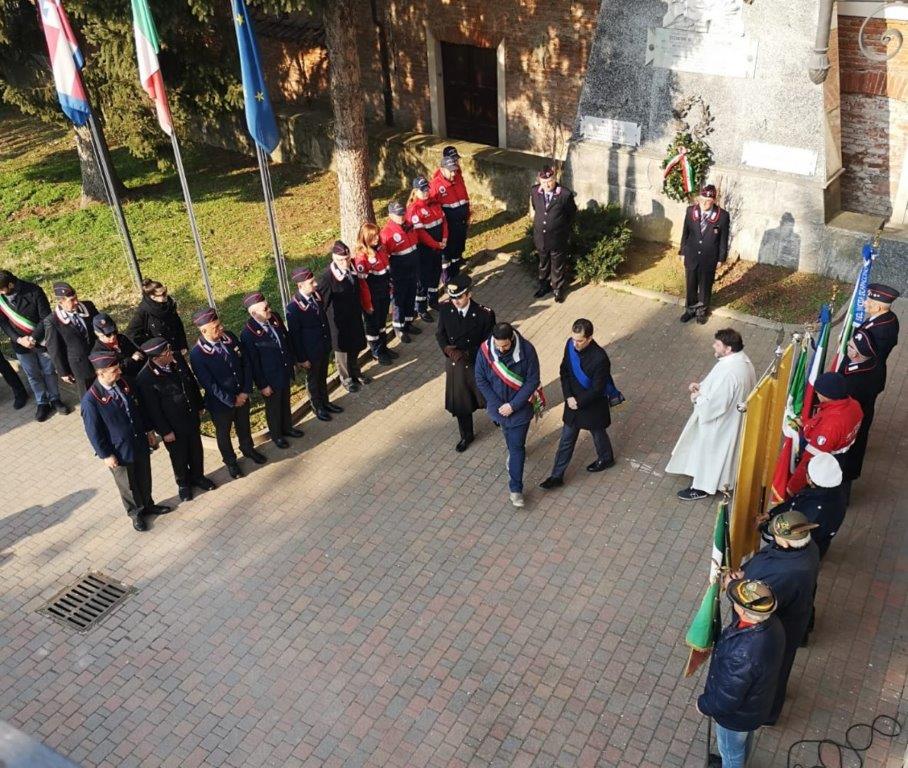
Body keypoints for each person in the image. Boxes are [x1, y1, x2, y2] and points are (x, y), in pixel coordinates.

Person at [733, 512, 820, 726]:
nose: (774, 540)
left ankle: (769, 714)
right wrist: (745, 573)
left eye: (777, 537)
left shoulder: (788, 572)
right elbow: (767, 557)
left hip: (779, 627)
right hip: (789, 621)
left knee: (772, 673)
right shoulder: (806, 547)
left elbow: (757, 604)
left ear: (789, 542)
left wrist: (732, 586)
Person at [697, 579, 785, 768]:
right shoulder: (773, 624)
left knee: (730, 752)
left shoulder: (741, 655)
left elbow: (726, 700)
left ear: (744, 612)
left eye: (736, 603)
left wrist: (703, 704)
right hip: (755, 708)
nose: (734, 604)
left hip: (736, 717)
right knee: (743, 742)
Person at [81, 349, 171, 532]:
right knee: (128, 485)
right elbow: (93, 432)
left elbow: (138, 409)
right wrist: (106, 455)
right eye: (114, 370)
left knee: (144, 476)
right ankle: (136, 514)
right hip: (119, 450)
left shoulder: (123, 384)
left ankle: (148, 504)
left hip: (138, 441)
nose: (119, 372)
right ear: (101, 373)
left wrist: (148, 431)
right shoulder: (91, 401)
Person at [667, 328, 756, 500]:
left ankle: (702, 487)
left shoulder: (729, 372)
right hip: (732, 418)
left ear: (728, 348)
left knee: (711, 453)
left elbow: (715, 405)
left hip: (720, 423)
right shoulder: (743, 362)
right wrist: (701, 386)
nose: (713, 346)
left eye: (717, 344)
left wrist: (696, 397)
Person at [188, 307, 266, 479]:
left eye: (220, 324)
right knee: (224, 434)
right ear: (204, 330)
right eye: (216, 327)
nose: (221, 328)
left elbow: (245, 362)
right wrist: (231, 400)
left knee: (244, 425)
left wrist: (245, 391)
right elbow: (209, 384)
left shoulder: (229, 337)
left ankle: (248, 449)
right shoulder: (198, 355)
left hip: (242, 395)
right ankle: (230, 462)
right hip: (221, 404)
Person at [539, 319, 616, 490]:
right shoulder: (570, 346)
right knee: (566, 440)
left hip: (591, 405)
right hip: (573, 402)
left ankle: (606, 458)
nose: (575, 344)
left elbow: (597, 389)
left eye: (579, 340)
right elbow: (564, 371)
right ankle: (556, 475)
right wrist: (568, 397)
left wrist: (578, 401)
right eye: (573, 339)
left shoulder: (600, 358)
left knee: (598, 433)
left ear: (589, 338)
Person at [136, 337, 215, 502]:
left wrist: (199, 405)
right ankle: (183, 484)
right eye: (167, 352)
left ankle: (198, 476)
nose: (171, 352)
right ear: (156, 358)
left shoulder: (176, 358)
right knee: (179, 456)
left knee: (195, 449)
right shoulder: (146, 378)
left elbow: (190, 382)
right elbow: (152, 409)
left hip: (190, 415)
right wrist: (165, 431)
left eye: (169, 348)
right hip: (172, 426)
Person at [474, 322, 542, 509]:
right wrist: (497, 406)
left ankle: (516, 489)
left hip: (520, 409)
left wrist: (513, 405)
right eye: (498, 345)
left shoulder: (527, 350)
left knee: (517, 447)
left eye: (505, 346)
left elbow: (532, 380)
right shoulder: (485, 350)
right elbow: (480, 378)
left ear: (512, 339)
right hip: (499, 409)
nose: (501, 349)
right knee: (509, 437)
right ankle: (512, 455)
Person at [435, 274, 495, 452]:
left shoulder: (485, 314)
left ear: (469, 294)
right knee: (462, 403)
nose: (456, 301)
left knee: (487, 395)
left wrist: (471, 353)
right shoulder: (446, 310)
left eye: (459, 296)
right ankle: (466, 435)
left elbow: (489, 342)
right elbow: (440, 334)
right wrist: (448, 349)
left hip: (477, 361)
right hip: (457, 363)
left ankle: (497, 417)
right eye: (453, 297)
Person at [0, 269, 69, 420]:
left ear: (10, 285)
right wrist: (18, 339)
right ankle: (42, 402)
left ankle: (55, 399)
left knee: (48, 371)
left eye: (1, 289)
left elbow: (45, 318)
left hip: (41, 340)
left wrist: (33, 338)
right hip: (19, 343)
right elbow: (3, 323)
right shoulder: (1, 298)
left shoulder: (33, 291)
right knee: (32, 375)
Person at [240, 291, 302, 449]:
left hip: (284, 369)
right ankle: (277, 435)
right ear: (254, 313)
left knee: (285, 401)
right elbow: (253, 363)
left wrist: (293, 361)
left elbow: (285, 339)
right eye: (265, 308)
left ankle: (287, 427)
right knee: (274, 408)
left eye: (268, 306)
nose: (269, 310)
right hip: (269, 378)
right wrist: (262, 385)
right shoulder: (248, 334)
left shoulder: (273, 317)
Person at [786, 372, 862, 497]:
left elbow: (810, 460)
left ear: (828, 396)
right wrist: (807, 424)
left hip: (827, 459)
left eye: (818, 392)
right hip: (842, 454)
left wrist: (792, 487)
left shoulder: (830, 427)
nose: (816, 393)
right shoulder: (854, 405)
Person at [762, 452, 846, 559]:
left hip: (800, 553)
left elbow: (787, 535)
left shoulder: (812, 511)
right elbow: (795, 501)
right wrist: (771, 514)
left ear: (810, 480)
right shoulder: (834, 491)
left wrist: (763, 528)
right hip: (818, 544)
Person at [286, 267, 343, 422]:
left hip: (322, 346)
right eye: (311, 282)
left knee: (322, 377)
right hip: (310, 352)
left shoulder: (316, 296)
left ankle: (326, 402)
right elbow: (295, 337)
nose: (316, 284)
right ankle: (317, 407)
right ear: (300, 286)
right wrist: (302, 358)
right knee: (313, 381)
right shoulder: (294, 308)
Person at [318, 241, 370, 393]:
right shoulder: (327, 278)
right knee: (342, 353)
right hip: (338, 322)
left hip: (353, 316)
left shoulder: (351, 267)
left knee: (355, 347)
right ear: (334, 258)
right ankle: (346, 378)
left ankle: (356, 372)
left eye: (347, 258)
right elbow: (323, 303)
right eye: (341, 260)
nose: (345, 262)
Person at [679, 184, 731, 324]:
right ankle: (690, 309)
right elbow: (686, 232)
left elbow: (723, 239)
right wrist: (683, 251)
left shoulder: (723, 216)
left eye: (708, 201)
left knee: (705, 285)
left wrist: (721, 257)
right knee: (691, 283)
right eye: (702, 200)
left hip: (709, 257)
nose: (704, 203)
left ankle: (702, 311)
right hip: (692, 254)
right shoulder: (691, 211)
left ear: (714, 200)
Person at [837, 330, 884, 485]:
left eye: (850, 346)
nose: (846, 347)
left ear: (856, 355)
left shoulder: (858, 383)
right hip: (861, 412)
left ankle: (844, 489)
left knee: (849, 455)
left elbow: (844, 403)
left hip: (853, 421)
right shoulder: (872, 363)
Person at [44, 281, 99, 399]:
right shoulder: (52, 321)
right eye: (71, 300)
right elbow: (54, 349)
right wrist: (63, 372)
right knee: (88, 398)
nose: (76, 302)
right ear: (61, 302)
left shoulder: (88, 306)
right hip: (79, 366)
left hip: (98, 358)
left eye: (76, 298)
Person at [530, 166, 577, 303]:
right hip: (541, 237)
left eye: (550, 181)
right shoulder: (535, 191)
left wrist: (562, 229)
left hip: (557, 238)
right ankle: (544, 286)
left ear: (554, 179)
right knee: (543, 263)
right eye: (544, 182)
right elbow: (535, 207)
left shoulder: (564, 194)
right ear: (539, 180)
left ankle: (558, 289)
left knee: (557, 265)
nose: (547, 185)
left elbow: (571, 213)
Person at [353, 223, 397, 366]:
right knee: (372, 325)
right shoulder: (362, 258)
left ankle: (384, 347)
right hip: (372, 298)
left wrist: (390, 290)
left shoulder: (380, 250)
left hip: (383, 293)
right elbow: (362, 285)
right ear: (365, 238)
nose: (377, 238)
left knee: (381, 323)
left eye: (378, 234)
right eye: (373, 236)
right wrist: (367, 303)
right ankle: (377, 352)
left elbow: (387, 272)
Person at [407, 175, 447, 322]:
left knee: (436, 274)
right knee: (423, 280)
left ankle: (434, 300)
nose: (425, 192)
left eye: (427, 189)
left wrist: (444, 238)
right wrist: (437, 244)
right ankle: (421, 308)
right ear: (415, 191)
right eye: (422, 190)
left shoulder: (434, 204)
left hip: (437, 247)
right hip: (424, 251)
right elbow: (421, 233)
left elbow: (444, 222)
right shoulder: (414, 210)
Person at [381, 201, 422, 343]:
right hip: (399, 274)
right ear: (390, 215)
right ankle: (399, 329)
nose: (402, 217)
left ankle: (408, 323)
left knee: (410, 297)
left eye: (403, 214)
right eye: (398, 215)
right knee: (400, 300)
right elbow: (384, 257)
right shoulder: (386, 234)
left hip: (413, 270)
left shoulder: (409, 225)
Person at [429, 148, 470, 280]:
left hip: (461, 223)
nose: (454, 173)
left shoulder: (458, 176)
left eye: (455, 169)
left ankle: (456, 275)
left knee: (458, 251)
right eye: (451, 170)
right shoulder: (435, 185)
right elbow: (433, 208)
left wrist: (467, 215)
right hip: (449, 227)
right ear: (442, 170)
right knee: (447, 254)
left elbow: (464, 196)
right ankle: (448, 280)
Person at [125, 279, 190, 356]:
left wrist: (183, 344)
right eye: (162, 294)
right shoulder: (143, 311)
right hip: (160, 353)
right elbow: (131, 333)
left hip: (175, 347)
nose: (166, 295)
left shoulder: (169, 304)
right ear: (153, 297)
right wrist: (150, 348)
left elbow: (178, 324)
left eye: (165, 291)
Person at [853, 283, 899, 389]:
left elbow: (866, 354)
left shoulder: (882, 330)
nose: (864, 303)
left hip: (865, 378)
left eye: (869, 301)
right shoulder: (886, 316)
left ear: (877, 307)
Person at [91, 313, 145, 381]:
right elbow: (114, 371)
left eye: (114, 331)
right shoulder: (98, 353)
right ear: (97, 333)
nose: (113, 336)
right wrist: (132, 360)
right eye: (108, 334)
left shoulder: (121, 338)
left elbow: (137, 351)